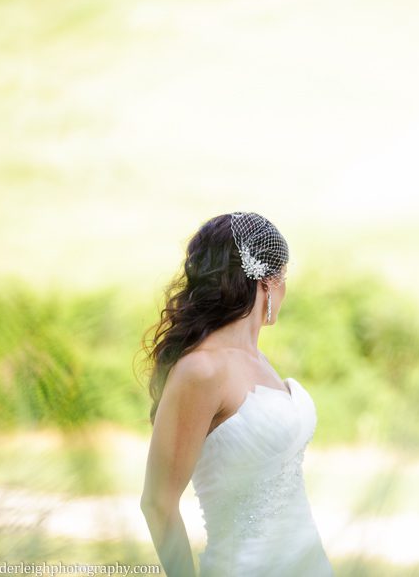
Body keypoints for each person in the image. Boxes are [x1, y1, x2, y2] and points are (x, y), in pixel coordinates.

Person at [140, 212, 334, 576]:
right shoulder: (201, 370)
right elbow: (157, 503)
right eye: (284, 276)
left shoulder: (258, 359)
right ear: (266, 282)